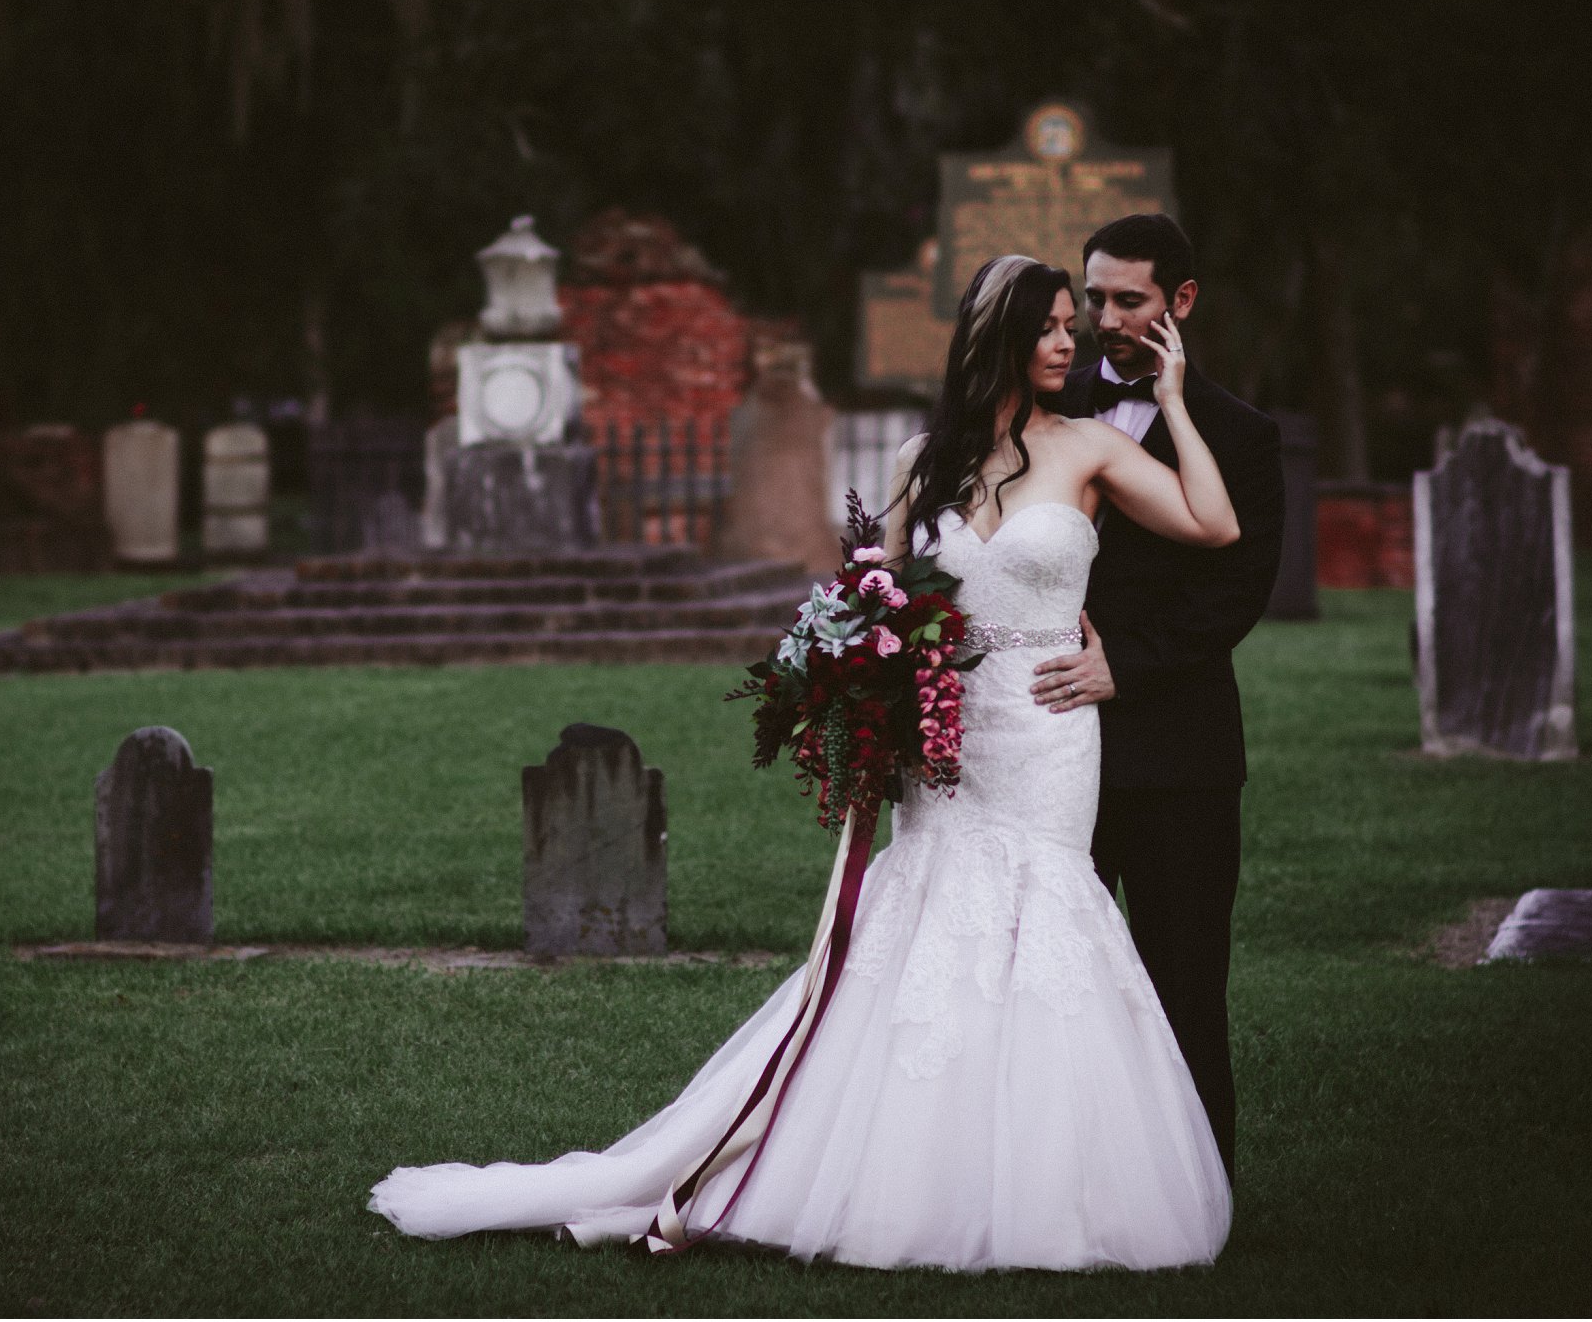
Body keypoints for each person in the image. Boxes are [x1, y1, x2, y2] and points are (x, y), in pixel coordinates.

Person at [370, 252, 1240, 1272]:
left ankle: (1048, 1179)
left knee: (1043, 915)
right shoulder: (928, 457)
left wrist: (1174, 402)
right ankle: (889, 1168)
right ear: (997, 336)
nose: (1067, 341)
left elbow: (1212, 523)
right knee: (921, 923)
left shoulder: (1089, 446)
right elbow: (884, 587)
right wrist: (869, 670)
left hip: (1047, 727)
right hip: (944, 729)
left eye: (1069, 325)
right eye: (1047, 325)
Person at [1031, 214, 1285, 1182]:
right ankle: (1065, 1177)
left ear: (1179, 301)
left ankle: (1192, 1190)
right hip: (1051, 748)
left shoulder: (1238, 434)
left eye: (1125, 299)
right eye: (1091, 298)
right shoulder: (1044, 408)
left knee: (1181, 981)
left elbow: (1234, 590)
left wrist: (1122, 665)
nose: (1102, 317)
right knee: (1060, 976)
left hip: (1177, 753)